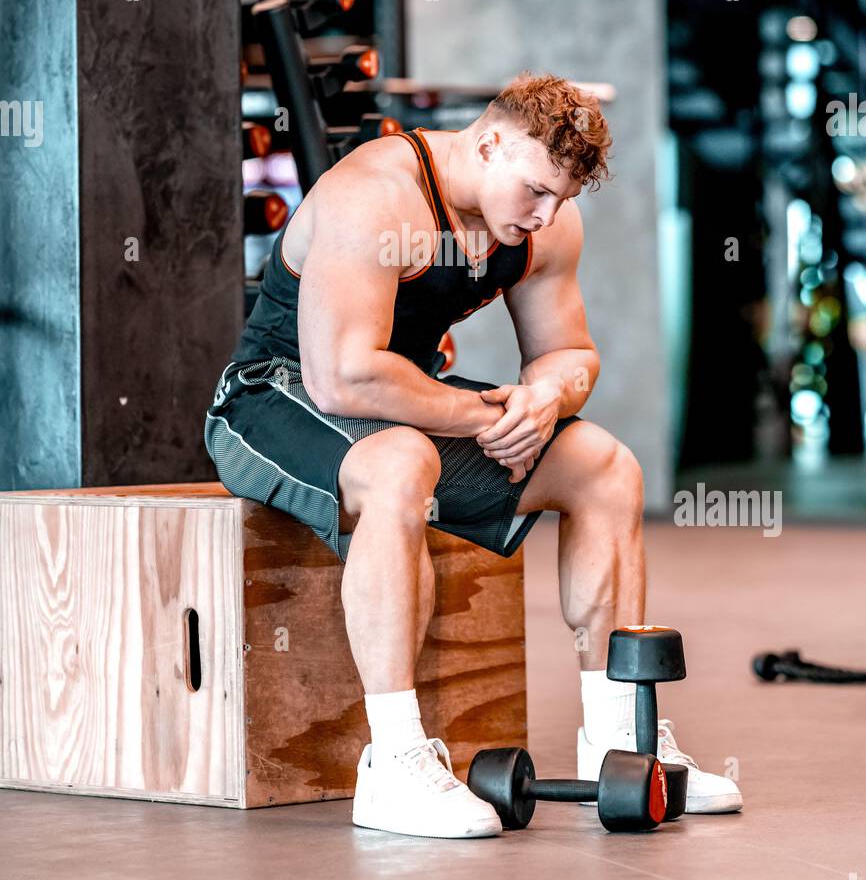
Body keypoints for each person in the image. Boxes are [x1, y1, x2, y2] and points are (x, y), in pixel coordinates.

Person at [205, 72, 742, 838]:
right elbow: (342, 374)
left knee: (604, 466)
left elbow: (571, 354)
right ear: (488, 143)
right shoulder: (375, 194)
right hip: (273, 396)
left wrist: (545, 400)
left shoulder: (542, 225)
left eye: (562, 199)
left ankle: (618, 741)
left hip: (406, 402)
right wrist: (483, 414)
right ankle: (393, 764)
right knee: (399, 464)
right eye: (535, 192)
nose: (548, 214)